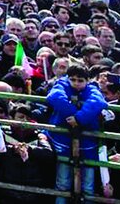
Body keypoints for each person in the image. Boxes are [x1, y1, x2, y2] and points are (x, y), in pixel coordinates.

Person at [45, 63, 108, 204]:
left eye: (80, 80)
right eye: (72, 79)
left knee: (88, 185)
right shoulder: (61, 85)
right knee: (63, 183)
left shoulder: (92, 89)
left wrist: (79, 118)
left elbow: (98, 102)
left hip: (87, 143)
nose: (76, 83)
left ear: (87, 81)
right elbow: (55, 97)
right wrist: (73, 115)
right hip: (64, 141)